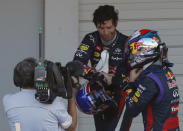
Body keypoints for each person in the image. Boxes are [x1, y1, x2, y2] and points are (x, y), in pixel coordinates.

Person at [73, 5, 129, 131]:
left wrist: (113, 80)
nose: (105, 32)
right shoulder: (91, 38)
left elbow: (134, 74)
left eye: (109, 27)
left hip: (120, 95)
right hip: (97, 93)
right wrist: (98, 75)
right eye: (101, 28)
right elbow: (76, 64)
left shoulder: (126, 42)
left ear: (116, 24)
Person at [119, 29, 180, 131]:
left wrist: (130, 85)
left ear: (143, 49)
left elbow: (132, 109)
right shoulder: (166, 71)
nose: (130, 56)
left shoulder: (149, 79)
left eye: (132, 51)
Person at [3, 57, 77, 131]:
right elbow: (71, 128)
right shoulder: (54, 103)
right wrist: (72, 94)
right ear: (39, 76)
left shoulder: (8, 101)